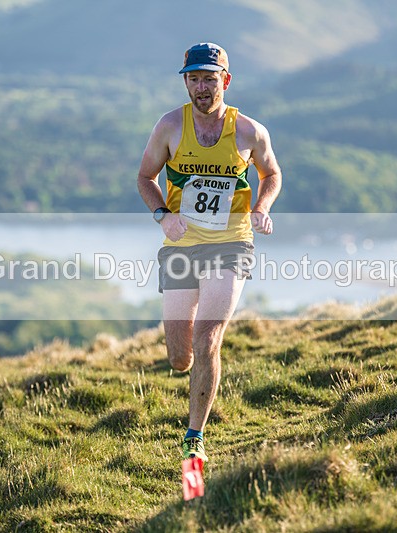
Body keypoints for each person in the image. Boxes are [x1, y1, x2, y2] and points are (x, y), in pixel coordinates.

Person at [137, 42, 282, 462]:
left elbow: (271, 172)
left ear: (226, 80)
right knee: (180, 356)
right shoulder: (169, 127)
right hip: (181, 244)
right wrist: (163, 214)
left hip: (231, 243)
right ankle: (194, 362)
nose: (202, 87)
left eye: (209, 79)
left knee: (208, 339)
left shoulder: (249, 131)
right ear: (185, 81)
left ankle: (194, 436)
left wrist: (260, 207)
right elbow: (145, 176)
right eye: (194, 79)